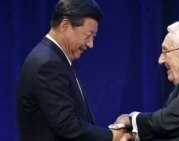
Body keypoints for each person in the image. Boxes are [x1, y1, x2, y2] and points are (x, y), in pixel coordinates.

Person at [16, 0, 126, 141]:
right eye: (88, 35)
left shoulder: (54, 58)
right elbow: (66, 125)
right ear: (65, 26)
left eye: (94, 37)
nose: (90, 44)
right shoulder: (48, 64)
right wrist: (111, 137)